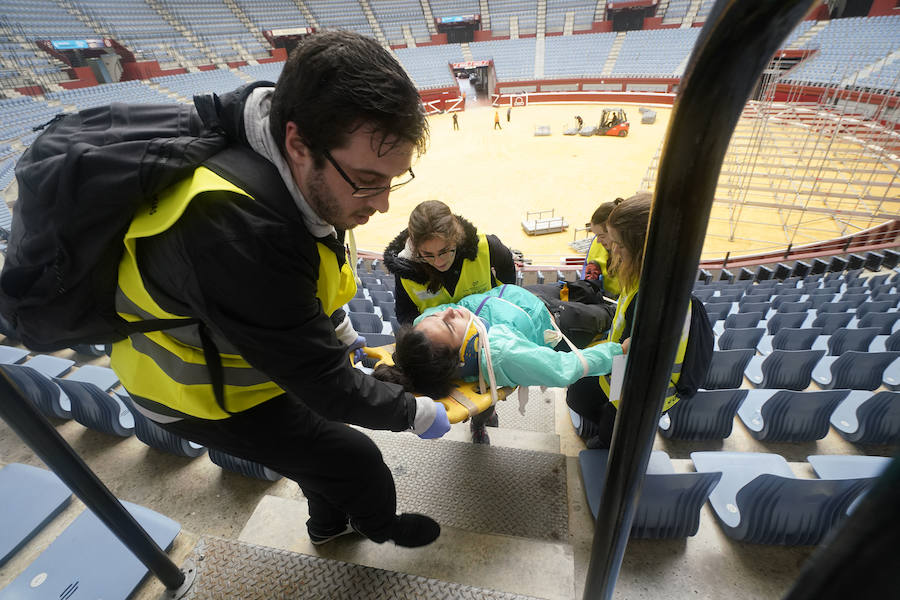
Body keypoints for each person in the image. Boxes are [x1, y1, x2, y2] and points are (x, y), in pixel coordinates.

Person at [107, 31, 451, 549]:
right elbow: (324, 388)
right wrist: (416, 413)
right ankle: (377, 526)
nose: (381, 205)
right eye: (366, 180)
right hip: (194, 393)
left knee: (319, 457)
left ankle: (328, 524)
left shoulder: (303, 170)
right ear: (297, 143)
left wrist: (339, 330)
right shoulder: (237, 229)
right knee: (354, 458)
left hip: (237, 361)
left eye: (391, 181)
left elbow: (314, 275)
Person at [373, 285, 626, 420]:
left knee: (584, 288)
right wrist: (617, 351)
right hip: (556, 321)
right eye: (448, 324)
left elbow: (437, 312)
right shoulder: (502, 352)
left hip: (522, 299)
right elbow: (563, 370)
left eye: (438, 317)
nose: (448, 312)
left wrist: (432, 320)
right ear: (464, 356)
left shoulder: (432, 337)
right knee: (606, 315)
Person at [383, 200, 516, 442]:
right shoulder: (406, 270)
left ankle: (481, 421)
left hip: (486, 342)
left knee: (483, 398)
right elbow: (405, 314)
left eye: (445, 250)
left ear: (456, 237)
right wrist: (430, 330)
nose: (439, 261)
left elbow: (509, 283)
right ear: (415, 248)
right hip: (444, 350)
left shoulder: (489, 248)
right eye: (428, 255)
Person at [566, 192, 691, 449]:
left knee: (610, 434)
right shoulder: (646, 278)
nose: (611, 249)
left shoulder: (653, 301)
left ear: (642, 248)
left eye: (619, 245)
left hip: (637, 393)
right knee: (579, 394)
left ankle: (610, 438)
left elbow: (627, 357)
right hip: (626, 379)